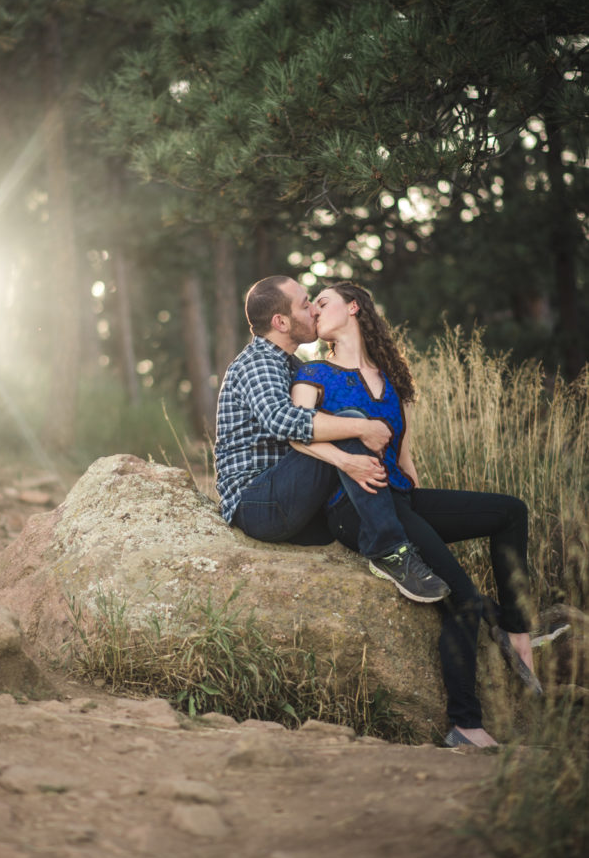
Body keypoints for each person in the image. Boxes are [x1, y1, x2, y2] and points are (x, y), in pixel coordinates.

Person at [290, 280, 540, 748]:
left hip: (401, 498)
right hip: (356, 507)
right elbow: (299, 434)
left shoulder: (392, 378)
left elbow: (405, 461)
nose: (315, 310)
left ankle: (516, 626)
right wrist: (346, 459)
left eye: (323, 301)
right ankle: (465, 726)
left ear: (354, 307)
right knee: (462, 597)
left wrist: (428, 515)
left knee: (510, 511)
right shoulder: (314, 374)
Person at [214, 274, 450, 603]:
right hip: (258, 504)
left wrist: (351, 459)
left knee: (346, 433)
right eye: (305, 304)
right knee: (349, 420)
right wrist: (361, 429)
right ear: (280, 321)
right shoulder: (259, 362)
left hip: (294, 498)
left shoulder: (292, 365)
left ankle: (456, 590)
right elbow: (283, 421)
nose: (313, 310)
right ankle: (390, 552)